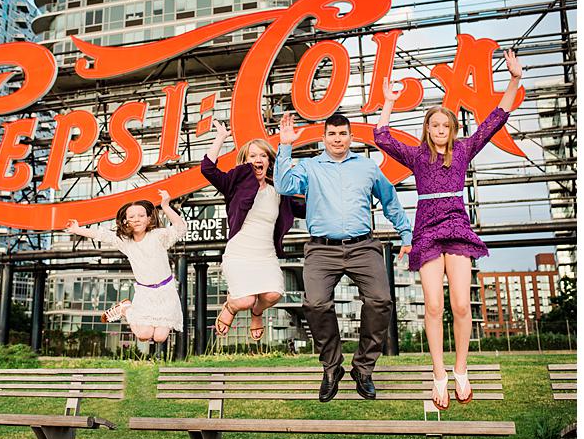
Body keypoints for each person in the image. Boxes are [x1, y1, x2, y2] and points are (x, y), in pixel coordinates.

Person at [373, 50, 523, 410]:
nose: (440, 131)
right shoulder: (416, 156)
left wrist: (514, 79)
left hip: (456, 229)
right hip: (426, 231)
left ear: (452, 131)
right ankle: (438, 374)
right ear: (428, 128)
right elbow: (381, 136)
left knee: (459, 304)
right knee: (434, 305)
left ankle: (460, 370)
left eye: (446, 127)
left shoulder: (465, 149)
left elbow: (496, 119)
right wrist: (389, 103)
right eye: (435, 126)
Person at [275, 112, 412, 402]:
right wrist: (285, 146)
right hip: (322, 249)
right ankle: (332, 367)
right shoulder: (309, 167)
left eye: (343, 134)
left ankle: (363, 368)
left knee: (381, 300)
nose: (337, 139)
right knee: (315, 303)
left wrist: (406, 234)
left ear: (351, 137)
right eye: (332, 134)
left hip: (363, 247)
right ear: (324, 138)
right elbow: (284, 186)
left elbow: (390, 201)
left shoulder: (367, 168)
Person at [201, 120, 306, 341]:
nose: (258, 159)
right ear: (245, 161)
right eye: (252, 156)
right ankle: (230, 307)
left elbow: (306, 209)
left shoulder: (279, 191)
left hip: (265, 255)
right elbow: (208, 169)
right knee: (245, 300)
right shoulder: (234, 184)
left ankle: (257, 313)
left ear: (269, 161)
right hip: (239, 254)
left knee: (273, 294)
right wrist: (220, 138)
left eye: (263, 155)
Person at [65, 190, 186, 343]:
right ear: (125, 221)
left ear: (149, 219)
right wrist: (77, 229)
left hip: (166, 291)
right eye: (131, 217)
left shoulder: (158, 236)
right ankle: (125, 308)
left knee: (160, 338)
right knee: (144, 335)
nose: (136, 219)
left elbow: (180, 229)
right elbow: (101, 235)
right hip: (145, 293)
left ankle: (129, 311)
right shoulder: (125, 242)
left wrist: (166, 206)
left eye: (141, 216)